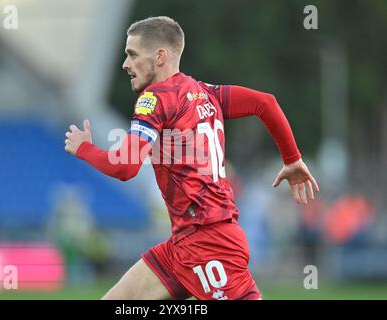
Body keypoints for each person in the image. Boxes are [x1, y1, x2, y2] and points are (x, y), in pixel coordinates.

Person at [64, 16, 319, 300]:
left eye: (132, 54)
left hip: (210, 243)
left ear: (159, 56)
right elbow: (265, 103)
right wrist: (292, 159)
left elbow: (125, 166)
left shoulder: (155, 99)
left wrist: (84, 148)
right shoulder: (207, 93)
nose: (126, 64)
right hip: (181, 246)